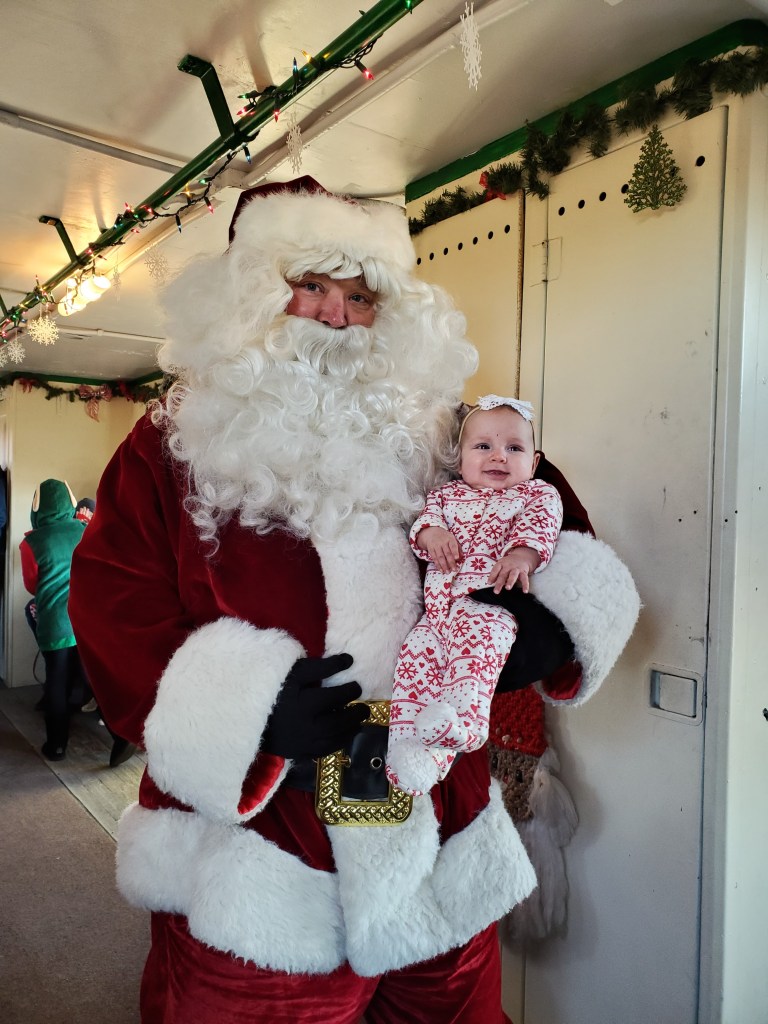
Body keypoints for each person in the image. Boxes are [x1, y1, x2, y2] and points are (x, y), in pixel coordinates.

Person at [69, 178, 639, 1024]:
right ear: (251, 297)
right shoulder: (169, 442)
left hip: (440, 830)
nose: (337, 316)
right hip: (264, 854)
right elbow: (114, 605)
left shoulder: (449, 429)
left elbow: (556, 525)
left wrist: (548, 623)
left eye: (362, 296)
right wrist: (247, 711)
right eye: (311, 286)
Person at [385, 395, 562, 796]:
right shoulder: (445, 496)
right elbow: (424, 526)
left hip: (487, 606)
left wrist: (521, 555)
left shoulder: (535, 494)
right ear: (460, 458)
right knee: (414, 662)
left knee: (472, 664)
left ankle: (466, 725)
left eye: (514, 448)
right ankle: (412, 756)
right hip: (437, 615)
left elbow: (541, 527)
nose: (498, 456)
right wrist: (433, 534)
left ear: (533, 462)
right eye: (483, 446)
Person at [20, 478, 87, 760]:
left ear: (37, 508)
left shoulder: (30, 543)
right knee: (87, 675)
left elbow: (31, 586)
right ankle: (118, 733)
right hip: (85, 622)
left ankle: (57, 746)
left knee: (56, 681)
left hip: (55, 624)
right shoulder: (85, 530)